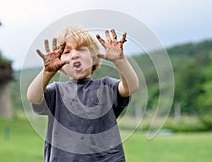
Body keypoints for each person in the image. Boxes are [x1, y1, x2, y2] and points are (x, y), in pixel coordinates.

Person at [27, 25, 139, 162]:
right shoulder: (56, 91)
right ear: (60, 64)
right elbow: (33, 97)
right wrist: (47, 72)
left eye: (81, 49)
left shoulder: (106, 87)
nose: (74, 55)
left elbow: (131, 87)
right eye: (67, 52)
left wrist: (120, 61)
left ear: (93, 57)